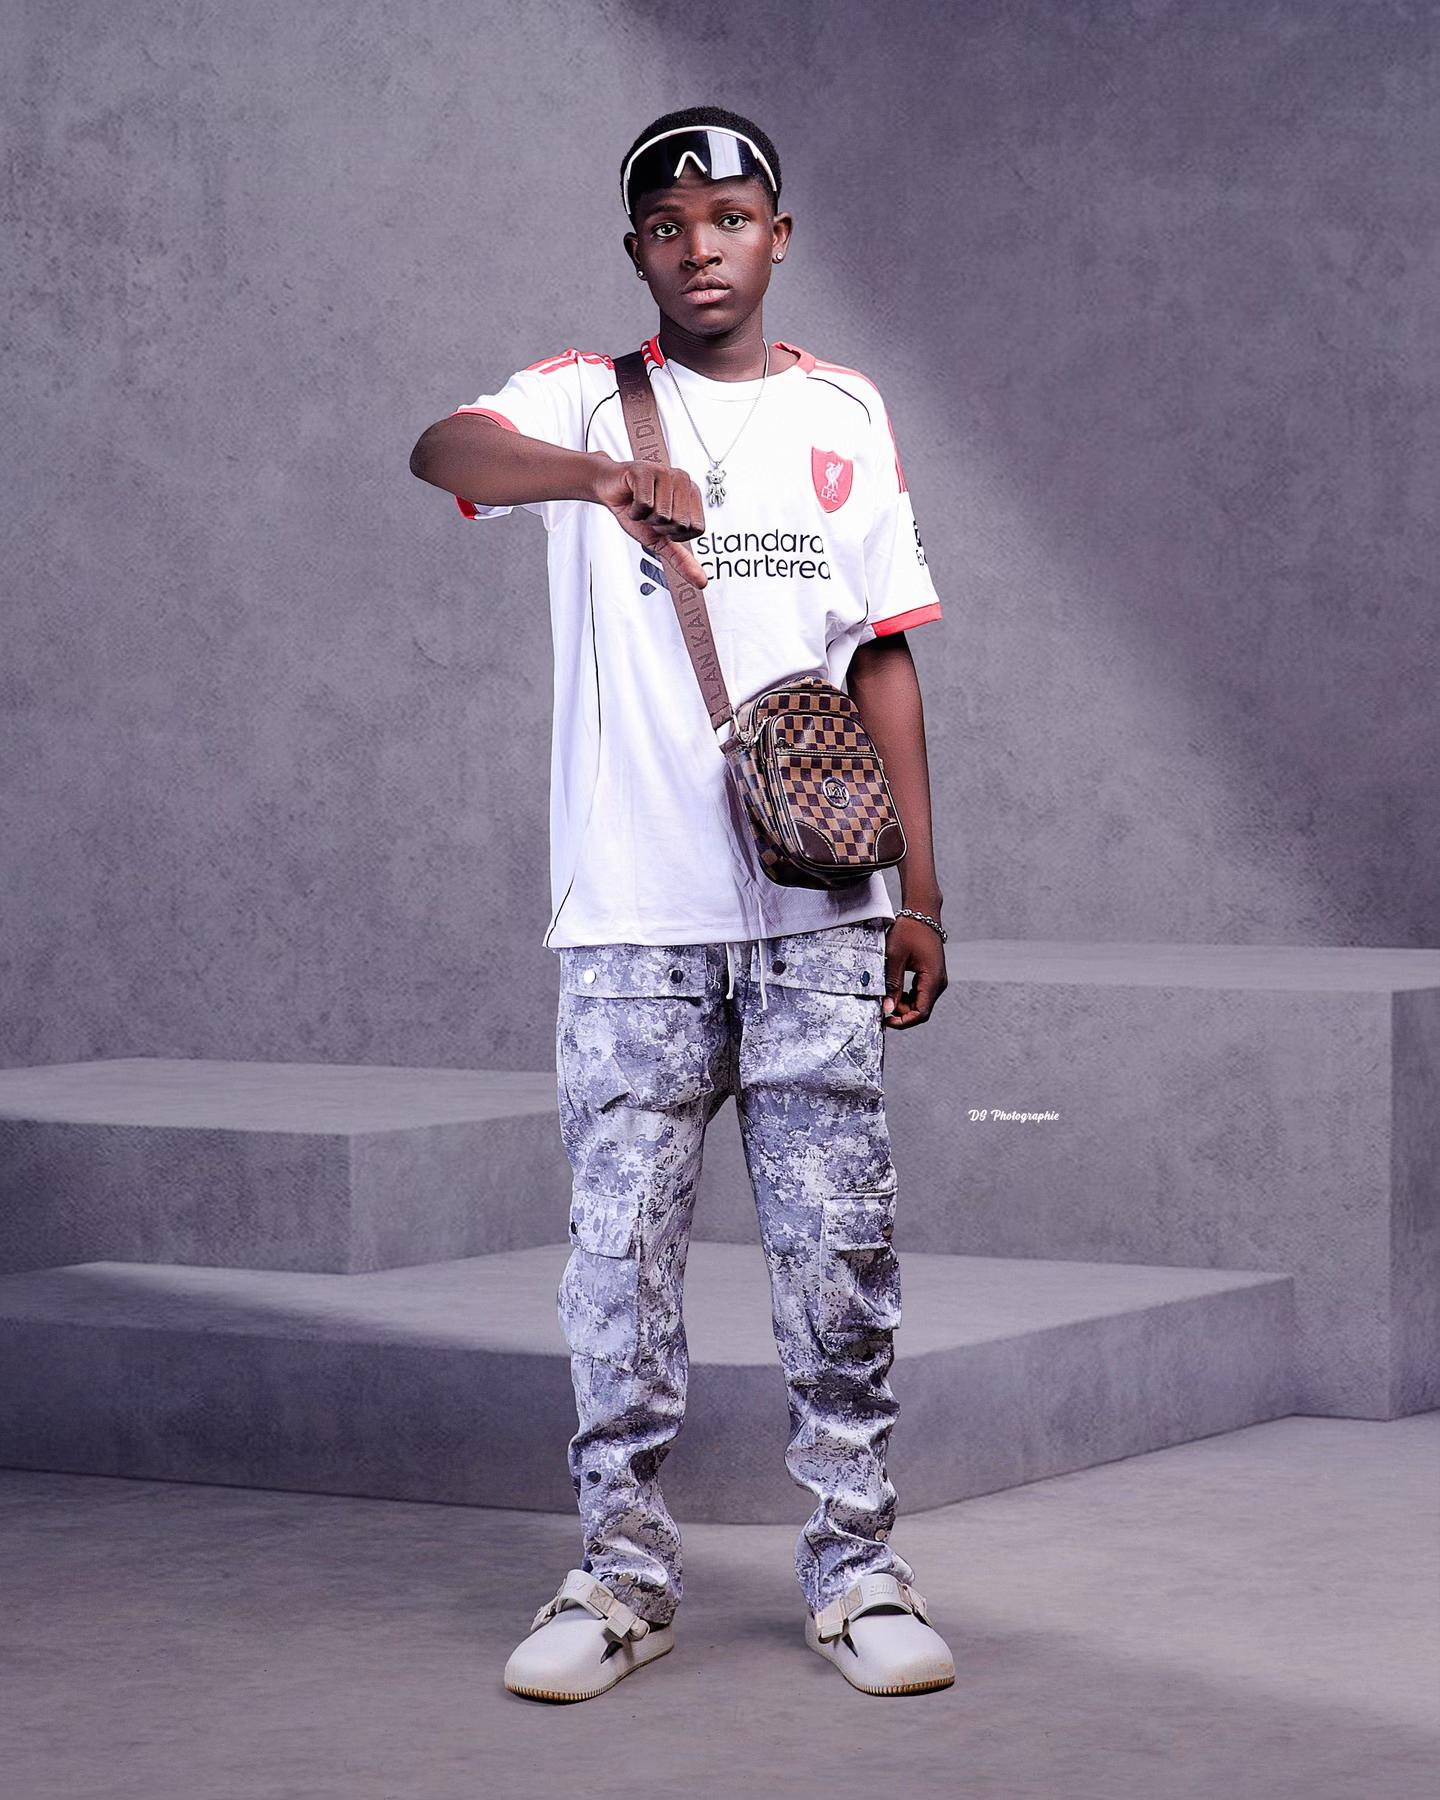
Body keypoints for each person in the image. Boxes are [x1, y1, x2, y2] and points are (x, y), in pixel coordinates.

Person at [409, 104, 954, 1701]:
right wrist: (598, 478)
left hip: (821, 915)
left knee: (839, 1260)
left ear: (778, 235)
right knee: (620, 1267)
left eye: (728, 218)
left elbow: (884, 654)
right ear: (637, 250)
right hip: (632, 924)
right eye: (667, 225)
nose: (700, 247)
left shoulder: (846, 410)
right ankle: (619, 1578)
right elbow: (441, 451)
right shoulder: (579, 399)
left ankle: (859, 1572)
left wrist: (923, 895)